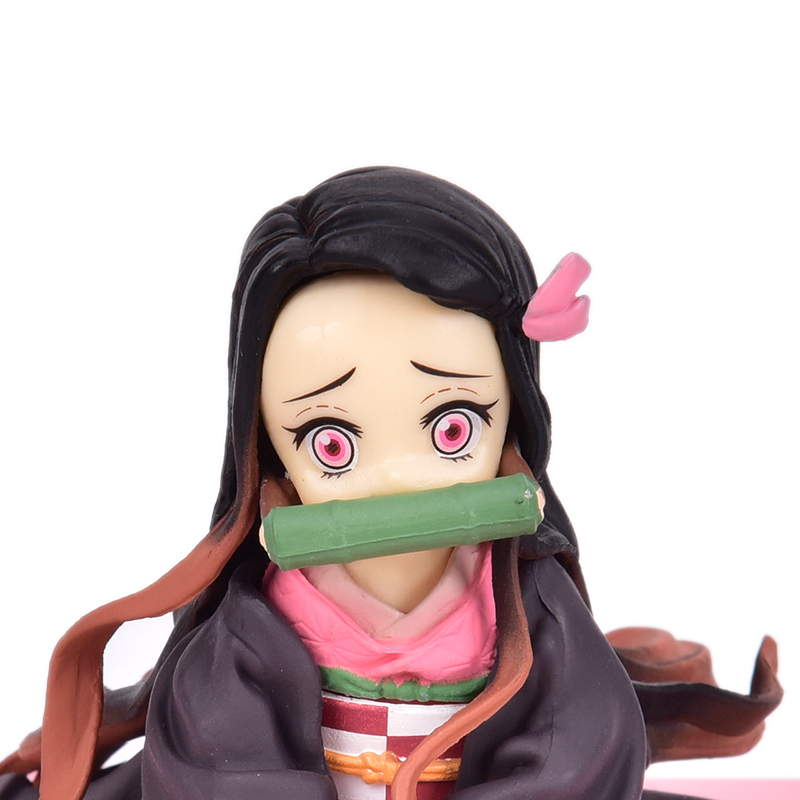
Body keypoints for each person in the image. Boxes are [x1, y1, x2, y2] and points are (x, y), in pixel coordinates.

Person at [0, 167, 780, 800]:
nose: (396, 478)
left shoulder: (528, 608)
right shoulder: (250, 628)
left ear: (512, 413)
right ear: (267, 444)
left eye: (451, 428)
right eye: (331, 443)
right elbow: (217, 766)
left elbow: (579, 747)